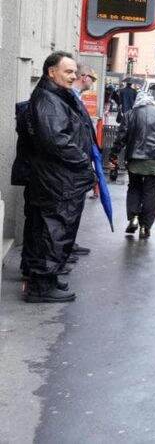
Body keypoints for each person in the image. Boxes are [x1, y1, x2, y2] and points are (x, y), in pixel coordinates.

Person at [20, 51, 95, 303]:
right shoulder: (48, 100)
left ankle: (46, 279)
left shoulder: (55, 96)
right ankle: (41, 285)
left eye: (75, 72)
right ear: (51, 72)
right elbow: (56, 140)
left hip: (61, 180)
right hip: (58, 181)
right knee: (53, 232)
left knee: (54, 231)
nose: (74, 76)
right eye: (68, 71)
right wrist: (84, 162)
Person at [110, 91, 155, 239]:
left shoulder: (130, 114)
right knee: (151, 193)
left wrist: (113, 155)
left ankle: (133, 217)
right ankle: (145, 227)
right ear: (151, 101)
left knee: (134, 188)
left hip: (135, 161)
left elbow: (121, 138)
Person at [67, 62, 100, 258]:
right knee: (67, 211)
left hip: (78, 162)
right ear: (84, 77)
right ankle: (64, 250)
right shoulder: (69, 97)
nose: (92, 82)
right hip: (72, 165)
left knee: (73, 210)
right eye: (92, 78)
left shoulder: (75, 97)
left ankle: (68, 245)